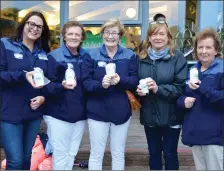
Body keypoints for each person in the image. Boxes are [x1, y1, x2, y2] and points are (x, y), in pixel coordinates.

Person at [81, 19, 138, 170]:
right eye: (107, 32)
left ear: (120, 36)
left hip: (121, 111)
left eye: (114, 33)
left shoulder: (129, 55)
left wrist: (121, 80)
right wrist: (102, 85)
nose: (110, 36)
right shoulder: (91, 55)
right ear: (102, 34)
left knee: (118, 152)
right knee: (96, 153)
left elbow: (134, 81)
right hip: (97, 111)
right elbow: (86, 82)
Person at [0, 11, 50, 170]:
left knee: (27, 159)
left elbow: (46, 81)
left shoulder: (43, 53)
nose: (35, 29)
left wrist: (43, 98)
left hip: (33, 114)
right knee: (15, 160)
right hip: (10, 112)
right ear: (24, 24)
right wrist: (22, 75)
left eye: (39, 27)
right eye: (32, 24)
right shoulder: (5, 44)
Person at [136, 20, 188, 170]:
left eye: (161, 34)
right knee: (153, 153)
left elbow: (180, 88)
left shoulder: (177, 58)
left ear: (168, 37)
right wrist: (137, 91)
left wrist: (158, 89)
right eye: (153, 34)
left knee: (170, 153)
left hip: (171, 115)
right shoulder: (141, 58)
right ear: (149, 37)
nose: (157, 37)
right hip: (150, 115)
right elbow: (135, 82)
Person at [42, 21, 87, 170]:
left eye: (77, 34)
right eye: (70, 34)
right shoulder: (53, 56)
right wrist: (61, 85)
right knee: (60, 155)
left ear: (82, 38)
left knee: (71, 153)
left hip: (79, 115)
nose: (73, 37)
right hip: (58, 114)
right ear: (64, 36)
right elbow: (46, 86)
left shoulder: (86, 57)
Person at [177, 28, 224, 170]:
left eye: (208, 47)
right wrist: (182, 102)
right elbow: (182, 95)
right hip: (196, 134)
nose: (204, 51)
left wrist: (201, 88)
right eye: (200, 47)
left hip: (214, 137)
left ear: (216, 50)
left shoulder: (221, 70)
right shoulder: (193, 71)